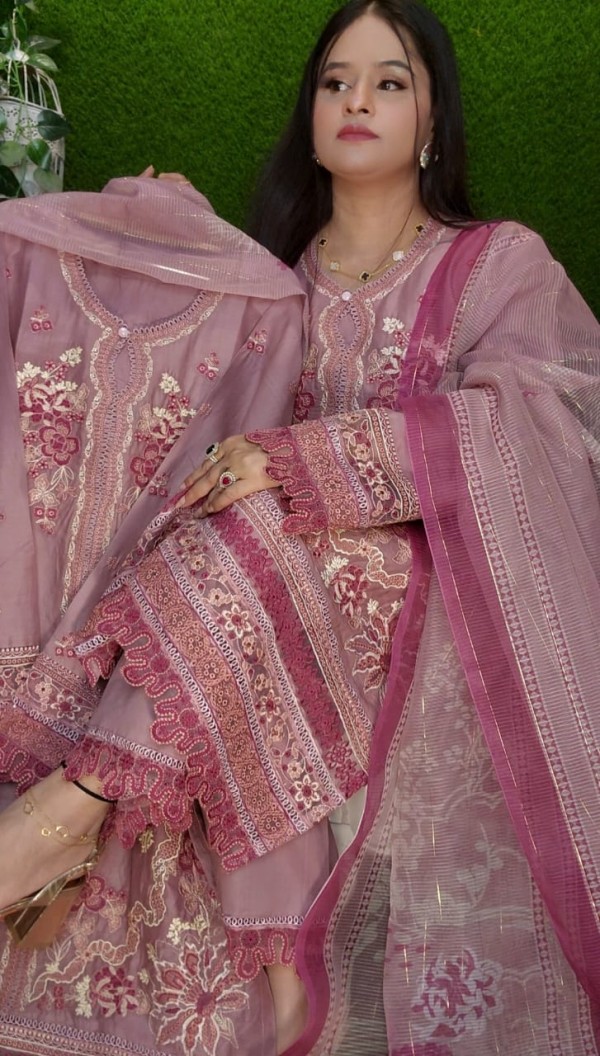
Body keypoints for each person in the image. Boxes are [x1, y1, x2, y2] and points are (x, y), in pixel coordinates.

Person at [1, 1, 599, 1054]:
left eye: (390, 82)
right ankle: (268, 975)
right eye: (335, 82)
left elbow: (545, 409)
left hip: (429, 599)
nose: (357, 100)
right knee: (199, 536)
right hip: (247, 593)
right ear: (310, 117)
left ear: (434, 121)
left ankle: (63, 814)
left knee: (256, 523)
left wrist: (302, 463)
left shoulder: (495, 263)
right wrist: (155, 219)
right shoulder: (272, 274)